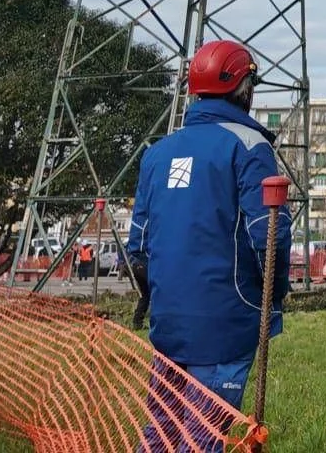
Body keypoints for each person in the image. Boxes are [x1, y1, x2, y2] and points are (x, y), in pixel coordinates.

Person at [127, 38, 290, 416]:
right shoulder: (250, 147)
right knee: (202, 436)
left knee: (162, 434)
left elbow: (138, 246)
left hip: (168, 325)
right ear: (244, 89)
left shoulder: (158, 153)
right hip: (226, 322)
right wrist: (274, 295)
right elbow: (269, 236)